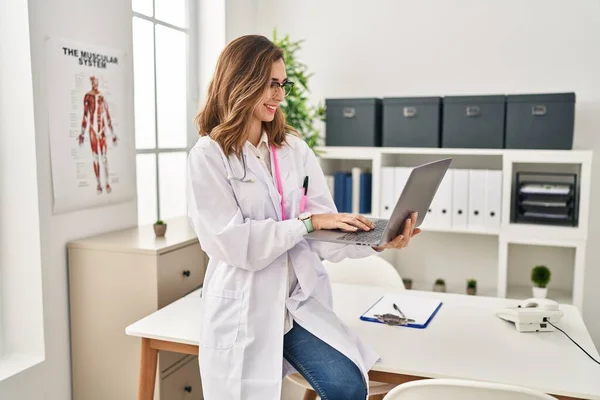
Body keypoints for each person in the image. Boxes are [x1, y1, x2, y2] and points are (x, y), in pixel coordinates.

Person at [186, 35, 421, 400]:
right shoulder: (209, 155)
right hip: (245, 308)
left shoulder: (292, 148)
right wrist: (306, 224)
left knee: (346, 386)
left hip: (297, 305)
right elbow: (232, 243)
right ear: (239, 82)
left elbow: (326, 231)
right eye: (270, 84)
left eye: (283, 84)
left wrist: (378, 239)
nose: (279, 95)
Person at [78, 75, 117, 194]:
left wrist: (113, 133)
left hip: (102, 130)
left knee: (104, 158)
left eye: (96, 82)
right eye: (93, 82)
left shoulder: (102, 97)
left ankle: (107, 183)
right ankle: (99, 184)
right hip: (93, 130)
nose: (95, 84)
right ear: (91, 83)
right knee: (95, 157)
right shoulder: (88, 97)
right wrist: (82, 133)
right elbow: (85, 115)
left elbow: (108, 116)